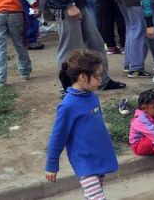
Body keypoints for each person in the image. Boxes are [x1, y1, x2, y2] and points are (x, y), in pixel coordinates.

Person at [45, 50, 119, 198]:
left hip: (98, 156)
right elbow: (57, 137)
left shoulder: (92, 97)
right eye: (97, 76)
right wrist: (51, 165)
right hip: (84, 162)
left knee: (93, 196)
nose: (101, 80)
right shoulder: (67, 106)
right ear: (83, 77)